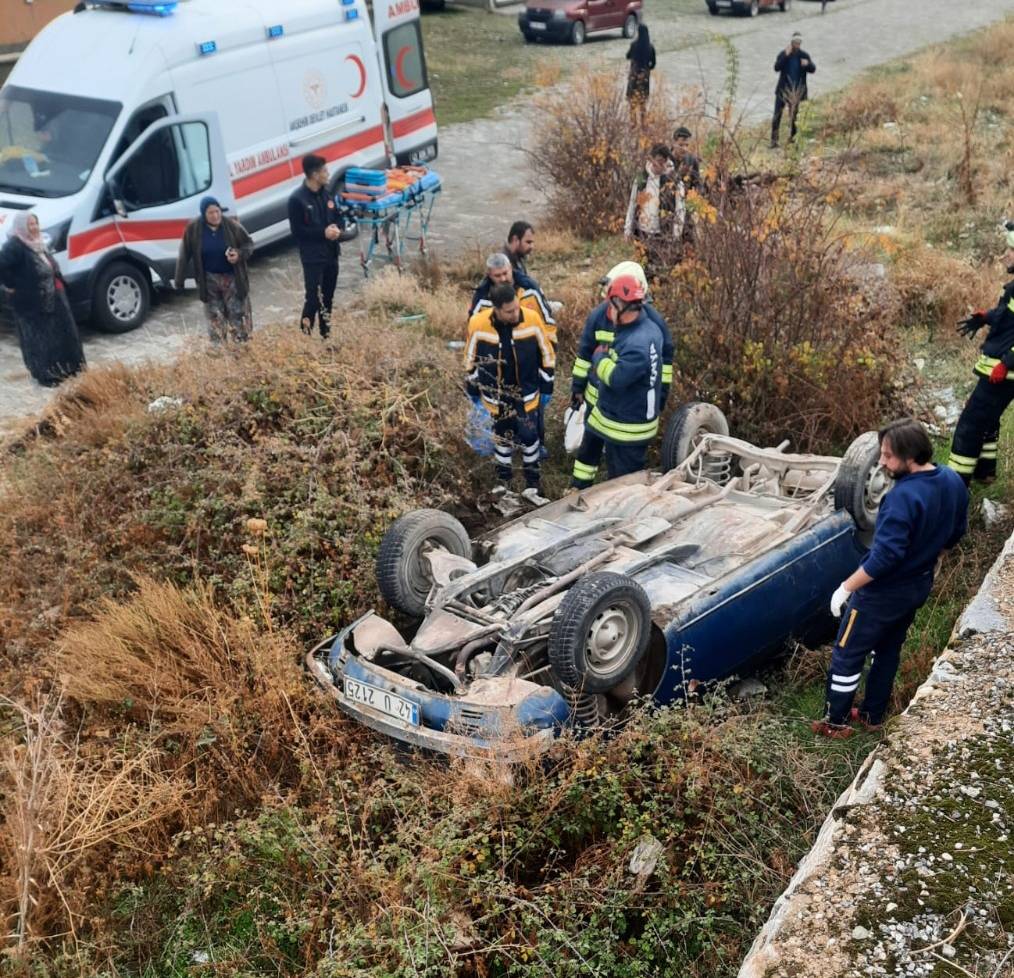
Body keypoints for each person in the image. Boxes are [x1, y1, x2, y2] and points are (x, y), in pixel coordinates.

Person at [813, 419, 968, 739]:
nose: (881, 462)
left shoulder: (901, 497)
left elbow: (884, 557)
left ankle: (835, 722)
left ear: (909, 456)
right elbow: (955, 531)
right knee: (887, 650)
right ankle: (873, 714)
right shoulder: (952, 480)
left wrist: (846, 587)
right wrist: (931, 558)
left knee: (847, 653)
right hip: (917, 587)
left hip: (880, 593)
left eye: (887, 455)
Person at [465, 282, 555, 507]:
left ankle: (532, 485)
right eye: (509, 311)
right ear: (496, 309)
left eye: (516, 308)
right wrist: (473, 389)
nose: (516, 313)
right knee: (502, 438)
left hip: (526, 393)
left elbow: (547, 354)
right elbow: (470, 358)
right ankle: (503, 483)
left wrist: (546, 386)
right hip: (496, 395)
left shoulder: (531, 318)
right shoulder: (478, 323)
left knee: (529, 438)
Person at [571, 274, 664, 489]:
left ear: (621, 305)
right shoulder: (647, 329)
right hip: (614, 414)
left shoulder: (637, 344)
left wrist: (599, 357)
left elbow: (616, 378)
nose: (607, 311)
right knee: (588, 448)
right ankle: (578, 488)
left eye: (610, 305)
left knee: (623, 486)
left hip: (626, 427)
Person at [947, 225, 1014, 486]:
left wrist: (1006, 363)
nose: (1005, 255)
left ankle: (954, 484)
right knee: (989, 419)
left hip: (1003, 371)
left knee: (970, 423)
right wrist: (986, 317)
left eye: (1011, 250)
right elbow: (1008, 317)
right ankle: (984, 472)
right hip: (1001, 370)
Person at [571, 260, 673, 421]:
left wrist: (660, 396)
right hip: (595, 401)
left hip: (627, 407)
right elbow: (584, 354)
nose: (609, 309)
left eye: (615, 302)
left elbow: (664, 364)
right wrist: (578, 387)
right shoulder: (597, 317)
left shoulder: (653, 324)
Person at [0, 211, 85, 387]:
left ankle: (71, 367)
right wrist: (12, 286)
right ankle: (48, 374)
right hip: (32, 302)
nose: (34, 227)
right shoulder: (15, 246)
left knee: (64, 333)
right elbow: (3, 267)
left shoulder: (38, 243)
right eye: (30, 224)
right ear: (22, 226)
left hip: (54, 295)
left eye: (35, 223)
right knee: (41, 340)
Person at [174, 196, 254, 343]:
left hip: (232, 279)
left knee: (237, 315)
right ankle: (220, 355)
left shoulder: (231, 225)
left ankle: (242, 348)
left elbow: (248, 244)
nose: (215, 216)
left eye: (217, 211)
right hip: (209, 280)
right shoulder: (194, 229)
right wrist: (179, 281)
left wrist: (239, 254)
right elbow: (184, 255)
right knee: (215, 318)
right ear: (204, 214)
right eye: (211, 213)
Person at [288, 153, 342, 338]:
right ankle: (305, 336)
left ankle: (326, 334)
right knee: (313, 299)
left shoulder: (327, 194)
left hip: (331, 254)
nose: (328, 174)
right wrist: (322, 233)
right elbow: (298, 232)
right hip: (313, 258)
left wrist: (337, 229)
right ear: (314, 174)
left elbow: (337, 216)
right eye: (324, 171)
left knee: (328, 297)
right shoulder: (297, 200)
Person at [624, 144, 685, 278]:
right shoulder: (641, 178)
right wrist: (628, 229)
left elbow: (680, 210)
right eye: (657, 161)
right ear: (651, 159)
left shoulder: (674, 182)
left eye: (664, 162)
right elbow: (632, 203)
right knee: (641, 269)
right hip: (642, 232)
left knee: (661, 270)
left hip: (662, 233)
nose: (660, 165)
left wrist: (676, 234)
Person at [771, 33, 816, 149]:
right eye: (795, 42)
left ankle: (793, 138)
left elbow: (813, 69)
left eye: (799, 42)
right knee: (777, 115)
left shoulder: (803, 55)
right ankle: (774, 140)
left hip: (796, 91)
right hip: (783, 90)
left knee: (794, 116)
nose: (797, 44)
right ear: (791, 42)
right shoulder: (784, 53)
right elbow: (776, 67)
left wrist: (808, 64)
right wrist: (785, 56)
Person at [626, 24, 656, 123]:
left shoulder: (634, 45)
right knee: (643, 101)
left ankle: (633, 122)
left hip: (634, 75)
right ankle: (643, 122)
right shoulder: (650, 47)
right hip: (645, 76)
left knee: (632, 100)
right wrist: (647, 69)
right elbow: (653, 63)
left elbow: (628, 56)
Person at [671, 126, 702, 193]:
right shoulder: (666, 160)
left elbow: (698, 184)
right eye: (681, 145)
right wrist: (679, 174)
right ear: (674, 143)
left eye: (687, 145)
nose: (684, 149)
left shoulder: (692, 160)